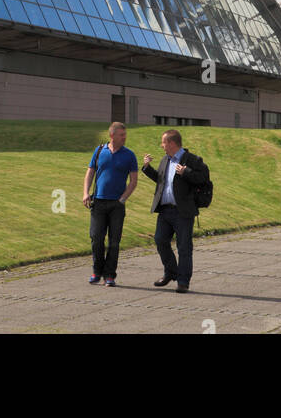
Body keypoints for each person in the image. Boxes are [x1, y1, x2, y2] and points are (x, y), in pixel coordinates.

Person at [142, 129, 208, 293]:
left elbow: (203, 178)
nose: (161, 145)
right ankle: (171, 272)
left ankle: (183, 281)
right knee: (160, 240)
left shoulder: (192, 160)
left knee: (184, 246)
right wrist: (147, 168)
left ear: (171, 143)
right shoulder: (165, 159)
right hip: (165, 211)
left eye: (163, 142)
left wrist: (186, 172)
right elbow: (161, 180)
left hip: (183, 211)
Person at [82, 121, 138, 286]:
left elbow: (133, 181)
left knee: (114, 241)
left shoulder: (129, 155)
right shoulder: (100, 151)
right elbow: (90, 172)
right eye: (122, 135)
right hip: (98, 202)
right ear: (112, 135)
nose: (124, 138)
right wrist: (86, 193)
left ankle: (110, 275)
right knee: (96, 238)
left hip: (116, 205)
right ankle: (96, 271)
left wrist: (123, 199)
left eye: (125, 135)